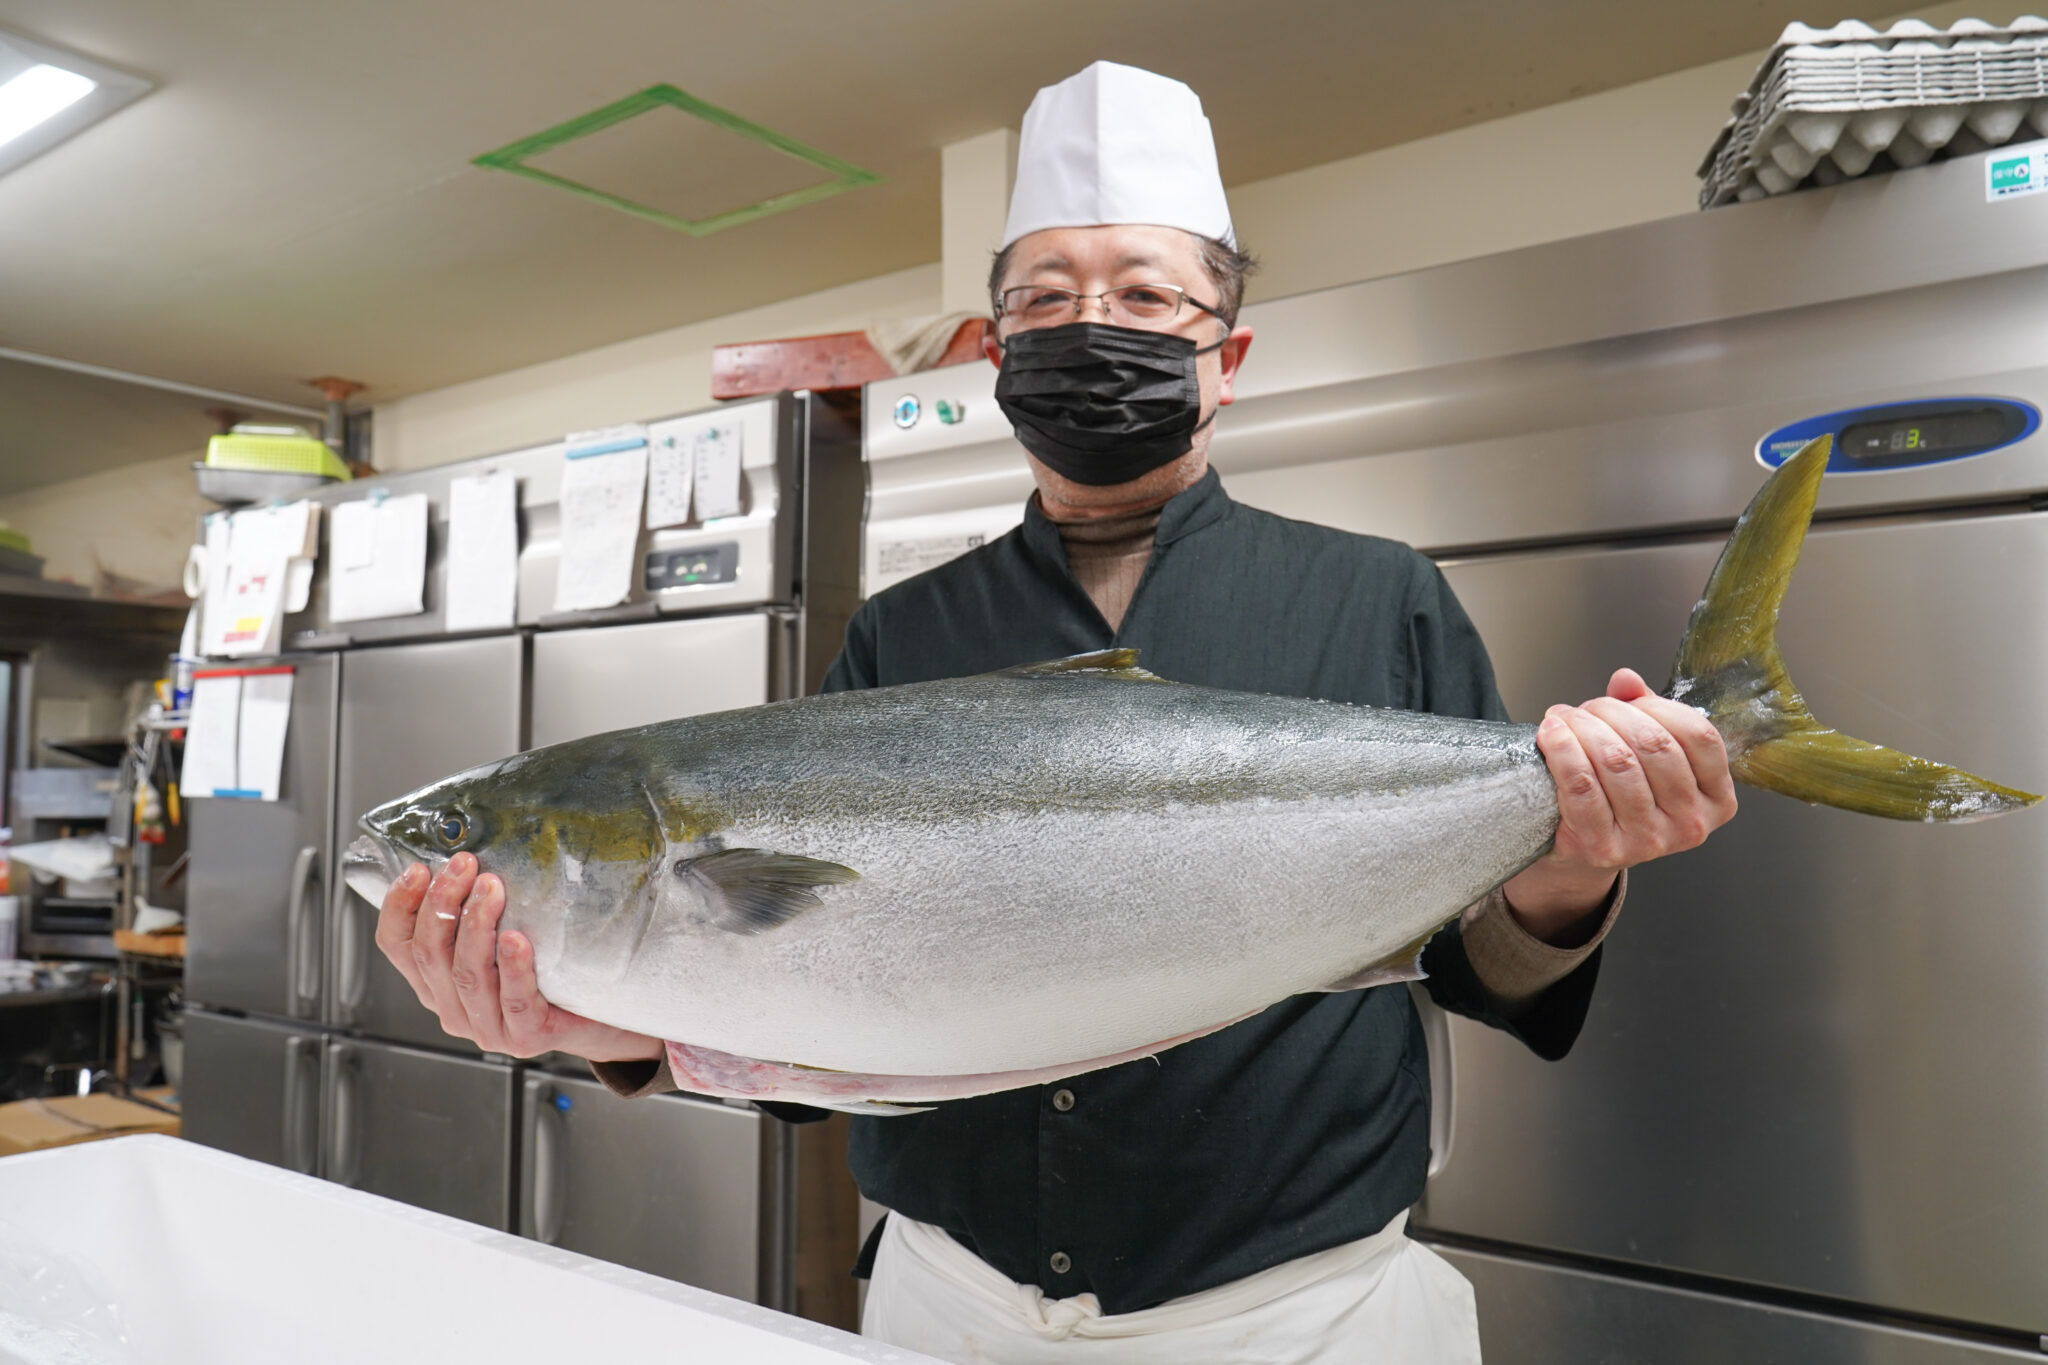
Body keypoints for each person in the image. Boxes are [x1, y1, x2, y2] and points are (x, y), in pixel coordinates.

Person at [374, 62, 1737, 1363]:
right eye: (1045, 300)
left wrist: (1572, 867)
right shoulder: (905, 634)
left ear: (1228, 354)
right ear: (999, 349)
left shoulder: (1380, 597)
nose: (1094, 328)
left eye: (1146, 296)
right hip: (954, 1299)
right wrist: (597, 1024)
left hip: (1300, 1314)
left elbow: (1466, 967)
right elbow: (818, 1023)